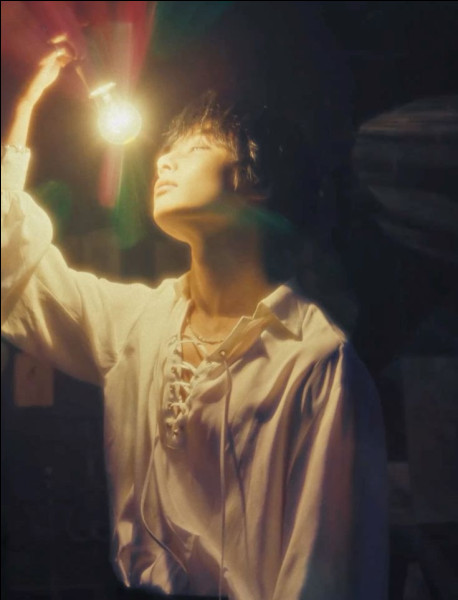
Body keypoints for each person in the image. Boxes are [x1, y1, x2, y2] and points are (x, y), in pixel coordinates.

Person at [2, 46, 388, 600]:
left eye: (196, 147)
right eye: (167, 150)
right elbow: (12, 271)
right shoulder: (138, 326)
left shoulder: (314, 364)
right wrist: (22, 108)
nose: (164, 162)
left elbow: (324, 574)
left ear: (255, 183)